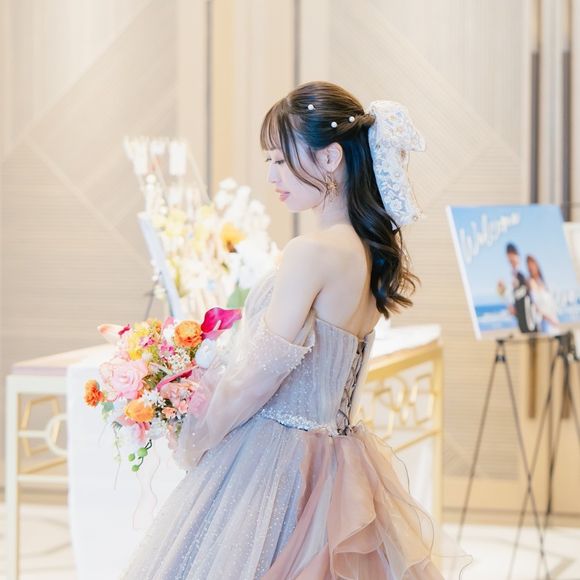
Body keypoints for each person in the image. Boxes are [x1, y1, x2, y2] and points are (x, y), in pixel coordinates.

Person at [120, 81, 472, 579]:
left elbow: (260, 375)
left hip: (277, 462)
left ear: (330, 158)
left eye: (281, 160)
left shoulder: (312, 252)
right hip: (342, 460)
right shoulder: (368, 253)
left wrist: (198, 433)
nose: (271, 175)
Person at [505, 242, 537, 333]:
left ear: (517, 256)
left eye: (512, 256)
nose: (511, 260)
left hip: (529, 317)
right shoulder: (512, 275)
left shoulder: (523, 274)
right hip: (522, 318)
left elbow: (528, 292)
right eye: (509, 258)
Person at [526, 254, 559, 334]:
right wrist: (549, 319)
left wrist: (553, 318)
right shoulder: (531, 282)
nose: (532, 268)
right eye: (529, 267)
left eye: (533, 265)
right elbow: (536, 306)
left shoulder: (542, 282)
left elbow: (550, 303)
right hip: (545, 322)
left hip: (553, 319)